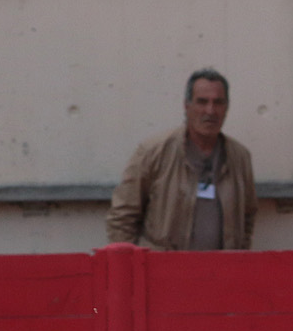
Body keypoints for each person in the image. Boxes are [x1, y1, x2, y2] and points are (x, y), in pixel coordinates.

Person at [107, 69, 257, 250]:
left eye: (218, 102)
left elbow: (247, 216)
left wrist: (240, 254)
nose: (210, 111)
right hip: (163, 264)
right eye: (202, 102)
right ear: (187, 105)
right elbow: (123, 216)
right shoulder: (153, 152)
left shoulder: (240, 157)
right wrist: (129, 262)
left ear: (226, 107)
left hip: (223, 266)